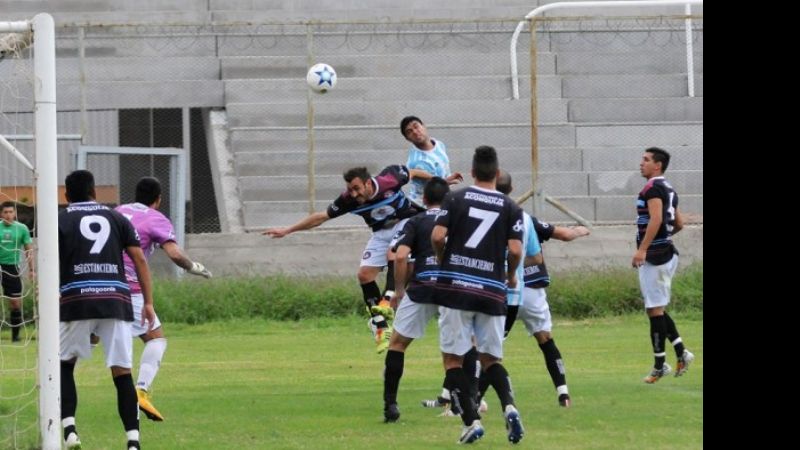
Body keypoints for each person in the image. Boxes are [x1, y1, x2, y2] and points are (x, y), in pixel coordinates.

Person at [431, 145, 538, 444]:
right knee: (491, 358)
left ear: (474, 171)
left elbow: (438, 236)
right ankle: (510, 407)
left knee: (453, 360)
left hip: (457, 287)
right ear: (497, 172)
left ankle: (471, 422)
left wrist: (443, 259)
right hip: (492, 290)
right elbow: (516, 249)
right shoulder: (511, 207)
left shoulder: (456, 197)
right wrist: (512, 273)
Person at [263, 165, 425, 353]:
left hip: (407, 222)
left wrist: (441, 179)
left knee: (394, 253)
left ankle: (387, 300)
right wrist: (287, 230)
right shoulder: (348, 200)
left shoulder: (390, 179)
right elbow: (320, 217)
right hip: (380, 232)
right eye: (350, 189)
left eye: (357, 188)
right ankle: (379, 326)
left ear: (367, 183)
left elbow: (412, 172)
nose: (353, 193)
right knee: (364, 276)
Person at [58, 170, 155, 450]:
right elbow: (139, 259)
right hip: (116, 299)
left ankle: (70, 431)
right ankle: (133, 442)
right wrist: (147, 302)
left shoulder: (61, 219)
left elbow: (50, 259)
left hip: (77, 298)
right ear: (94, 192)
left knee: (64, 363)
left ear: (66, 195)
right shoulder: (117, 217)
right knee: (122, 371)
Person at [115, 177, 212, 422]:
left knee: (89, 341)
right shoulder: (156, 218)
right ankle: (141, 391)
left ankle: (59, 395)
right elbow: (174, 254)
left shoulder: (117, 211)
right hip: (131, 290)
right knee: (156, 340)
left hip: (102, 285)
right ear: (158, 200)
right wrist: (194, 267)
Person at [495, 170, 590, 408]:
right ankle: (563, 393)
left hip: (504, 289)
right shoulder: (525, 219)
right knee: (545, 339)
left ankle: (472, 399)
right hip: (532, 290)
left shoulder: (492, 218)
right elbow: (562, 236)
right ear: (512, 188)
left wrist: (506, 267)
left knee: (487, 348)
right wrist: (580, 230)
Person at [381, 177, 450, 423]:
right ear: (448, 199)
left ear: (424, 199)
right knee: (460, 346)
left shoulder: (416, 221)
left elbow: (400, 257)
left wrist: (399, 290)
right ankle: (467, 400)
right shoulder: (457, 221)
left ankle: (390, 404)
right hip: (451, 289)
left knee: (397, 344)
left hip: (422, 287)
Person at [378, 116, 464, 307]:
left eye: (416, 127)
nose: (415, 132)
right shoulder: (417, 160)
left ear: (424, 126)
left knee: (422, 256)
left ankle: (396, 300)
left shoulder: (439, 145)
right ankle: (390, 300)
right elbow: (425, 179)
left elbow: (439, 179)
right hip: (421, 209)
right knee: (403, 255)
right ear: (408, 139)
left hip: (441, 205)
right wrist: (444, 181)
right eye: (409, 132)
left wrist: (446, 181)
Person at [632, 147, 694, 383]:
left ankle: (660, 364)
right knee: (654, 308)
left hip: (657, 256)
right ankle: (681, 353)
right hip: (663, 252)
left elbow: (657, 218)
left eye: (646, 160)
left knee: (655, 310)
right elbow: (678, 222)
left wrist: (643, 249)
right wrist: (665, 236)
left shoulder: (653, 188)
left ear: (657, 165)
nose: (641, 163)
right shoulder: (668, 187)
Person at [1, 201, 34, 342]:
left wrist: (32, 270)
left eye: (10, 212)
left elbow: (29, 250)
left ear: (15, 213)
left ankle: (15, 337)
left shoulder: (22, 229)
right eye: (5, 212)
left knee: (15, 302)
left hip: (12, 267)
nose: (8, 215)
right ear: (1, 214)